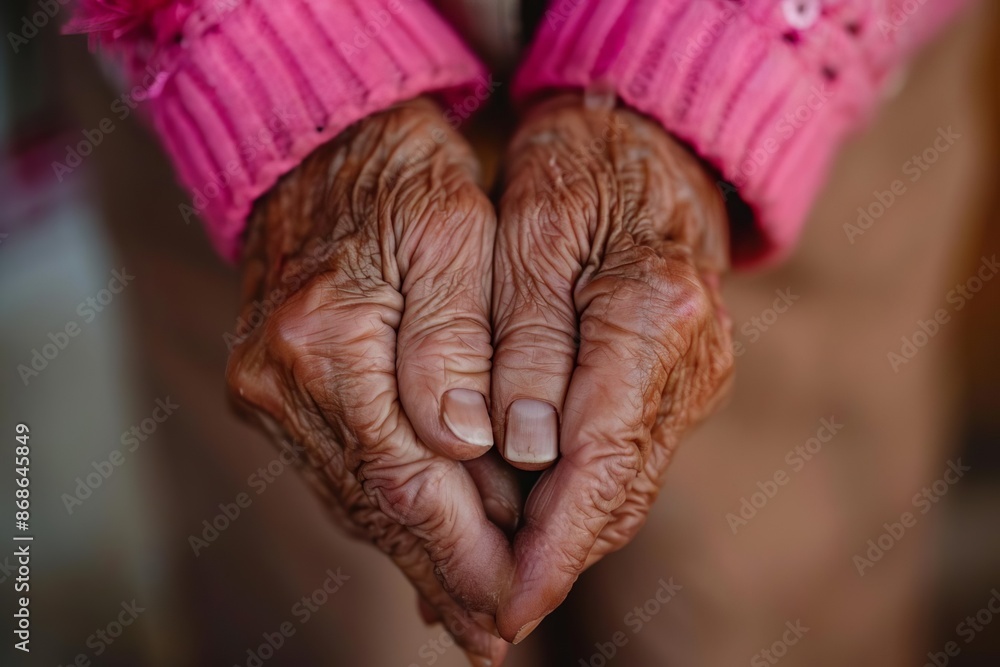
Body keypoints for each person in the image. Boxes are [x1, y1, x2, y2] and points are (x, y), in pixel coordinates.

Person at [65, 1, 974, 664]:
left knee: (759, 601)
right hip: (201, 116)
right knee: (328, 610)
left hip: (821, 110)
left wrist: (734, 50)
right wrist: (262, 54)